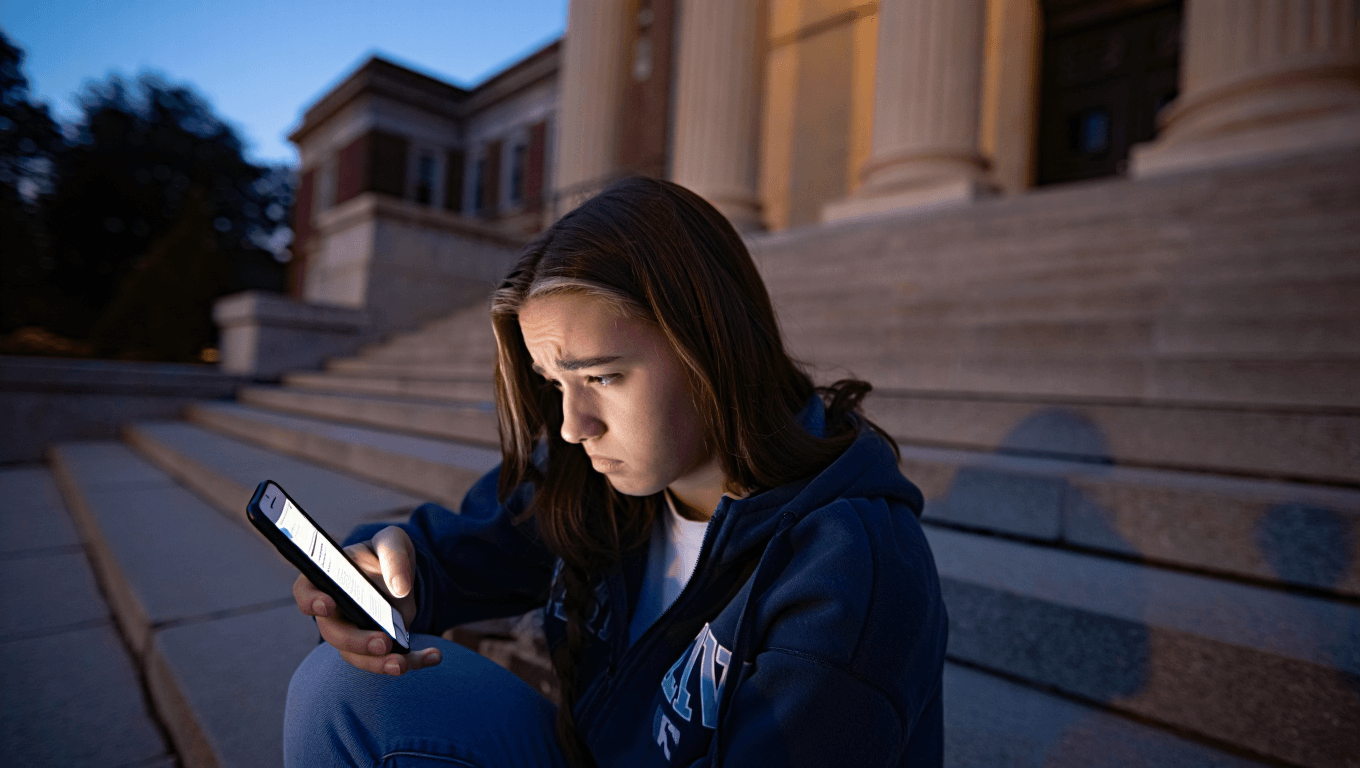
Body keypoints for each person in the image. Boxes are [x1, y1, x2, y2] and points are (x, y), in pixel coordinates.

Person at [283, 176, 948, 767]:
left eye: (601, 376)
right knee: (342, 690)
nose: (574, 426)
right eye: (554, 384)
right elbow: (459, 552)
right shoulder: (595, 480)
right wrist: (389, 571)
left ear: (710, 345)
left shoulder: (851, 570)